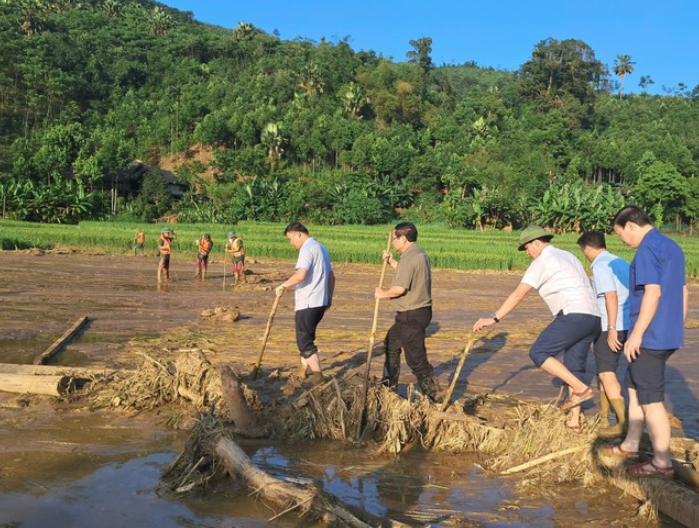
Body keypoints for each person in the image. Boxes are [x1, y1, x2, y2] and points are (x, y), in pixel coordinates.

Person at [473, 225, 601, 431]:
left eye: (527, 248)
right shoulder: (568, 256)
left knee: (539, 352)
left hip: (573, 313)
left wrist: (493, 318)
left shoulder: (543, 261)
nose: (527, 253)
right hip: (593, 316)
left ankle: (581, 389)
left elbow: (518, 294)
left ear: (537, 243)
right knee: (574, 366)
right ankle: (574, 422)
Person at [602, 206, 687, 480]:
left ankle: (661, 463)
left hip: (650, 336)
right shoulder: (672, 246)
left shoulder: (647, 249)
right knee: (633, 384)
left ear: (630, 226)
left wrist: (637, 334)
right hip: (667, 333)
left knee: (651, 399)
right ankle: (631, 444)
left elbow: (652, 292)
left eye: (620, 235)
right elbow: (683, 290)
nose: (623, 241)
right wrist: (676, 326)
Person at [375, 222, 440, 401]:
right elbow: (408, 274)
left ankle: (434, 396)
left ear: (403, 238)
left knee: (416, 359)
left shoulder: (410, 257)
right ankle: (389, 385)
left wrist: (382, 294)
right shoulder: (419, 254)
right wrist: (392, 262)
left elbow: (399, 289)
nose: (393, 242)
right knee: (391, 343)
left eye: (394, 238)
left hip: (411, 314)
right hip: (417, 312)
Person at [578, 230, 631, 438]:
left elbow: (611, 296)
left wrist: (610, 328)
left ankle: (623, 423)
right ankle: (603, 414)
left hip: (611, 325)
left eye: (584, 251)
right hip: (628, 323)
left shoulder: (600, 265)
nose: (585, 255)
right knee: (604, 369)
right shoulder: (621, 262)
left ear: (588, 248)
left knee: (607, 373)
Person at [276, 222, 335, 386]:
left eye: (290, 239)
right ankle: (302, 371)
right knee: (306, 336)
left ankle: (318, 375)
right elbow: (331, 277)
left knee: (304, 341)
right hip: (320, 302)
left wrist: (283, 285)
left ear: (299, 234)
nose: (291, 243)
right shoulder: (321, 248)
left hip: (308, 302)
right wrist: (328, 299)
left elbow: (300, 275)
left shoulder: (307, 248)